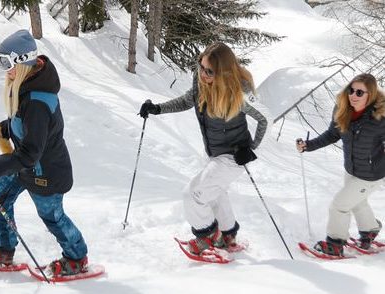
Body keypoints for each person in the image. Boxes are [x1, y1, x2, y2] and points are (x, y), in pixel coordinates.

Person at [0, 29, 89, 276]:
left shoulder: (38, 102)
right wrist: (6, 127)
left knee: (52, 217)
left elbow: (31, 151)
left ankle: (77, 258)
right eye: (1, 61)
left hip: (46, 172)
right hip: (25, 166)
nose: (5, 69)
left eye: (7, 62)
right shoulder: (27, 85)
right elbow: (26, 125)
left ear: (23, 62)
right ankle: (3, 249)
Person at [139, 42, 269, 255]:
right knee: (216, 193)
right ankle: (228, 235)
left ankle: (208, 235)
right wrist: (158, 109)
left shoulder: (239, 90)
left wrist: (252, 147)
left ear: (223, 72)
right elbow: (187, 100)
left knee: (193, 194)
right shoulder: (201, 82)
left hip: (234, 156)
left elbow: (266, 118)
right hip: (214, 153)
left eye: (209, 71)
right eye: (201, 66)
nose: (203, 74)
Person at [297, 73, 384, 257]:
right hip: (351, 168)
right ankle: (369, 229)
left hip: (371, 173)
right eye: (351, 90)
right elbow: (332, 134)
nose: (353, 95)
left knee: (339, 205)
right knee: (357, 202)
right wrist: (309, 145)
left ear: (371, 95)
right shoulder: (343, 109)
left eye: (360, 92)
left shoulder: (380, 117)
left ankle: (335, 244)